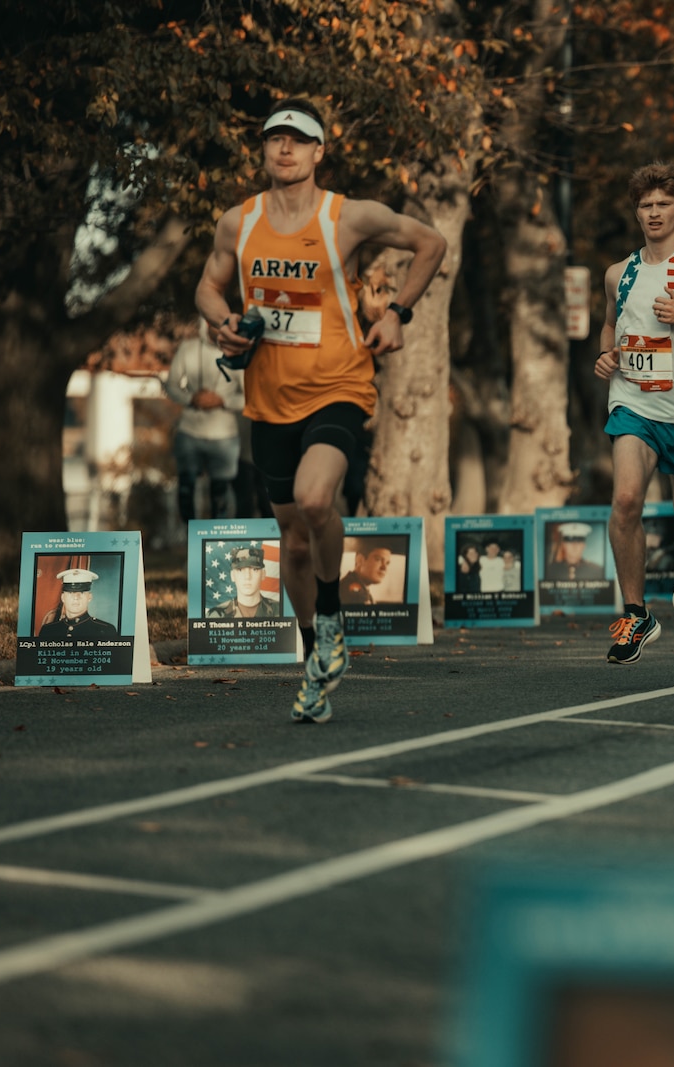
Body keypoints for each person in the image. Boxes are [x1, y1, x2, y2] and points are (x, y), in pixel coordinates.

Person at [195, 98, 447, 724]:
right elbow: (208, 285)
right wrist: (223, 323)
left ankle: (332, 615)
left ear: (318, 152)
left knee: (314, 502)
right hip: (268, 398)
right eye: (273, 138)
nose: (284, 149)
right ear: (264, 149)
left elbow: (431, 242)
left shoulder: (348, 217)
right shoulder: (239, 222)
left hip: (339, 385)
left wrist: (397, 313)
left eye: (298, 139)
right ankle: (317, 653)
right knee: (292, 543)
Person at [594, 163, 674, 667]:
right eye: (645, 205)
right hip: (634, 404)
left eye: (662, 204)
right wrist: (605, 355)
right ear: (636, 211)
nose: (653, 213)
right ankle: (635, 612)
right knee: (626, 500)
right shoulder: (617, 274)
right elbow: (610, 326)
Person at [162, 320, 245, 524]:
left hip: (224, 435)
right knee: (185, 489)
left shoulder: (238, 353)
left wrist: (222, 401)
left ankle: (217, 545)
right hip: (190, 431)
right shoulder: (188, 348)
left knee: (221, 493)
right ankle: (191, 541)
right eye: (214, 323)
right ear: (206, 323)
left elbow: (250, 396)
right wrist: (192, 398)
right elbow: (171, 385)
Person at [36, 568, 120, 639]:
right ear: (63, 598)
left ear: (89, 597)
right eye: (70, 592)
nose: (76, 597)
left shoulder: (106, 630)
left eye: (82, 592)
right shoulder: (48, 630)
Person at [207, 545, 284, 618]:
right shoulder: (216, 615)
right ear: (232, 576)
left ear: (263, 574)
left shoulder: (281, 610)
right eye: (240, 570)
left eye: (255, 570)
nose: (247, 577)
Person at [340, 538, 394, 605]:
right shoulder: (356, 594)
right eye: (378, 559)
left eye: (387, 563)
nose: (384, 568)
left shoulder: (356, 585)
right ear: (360, 560)